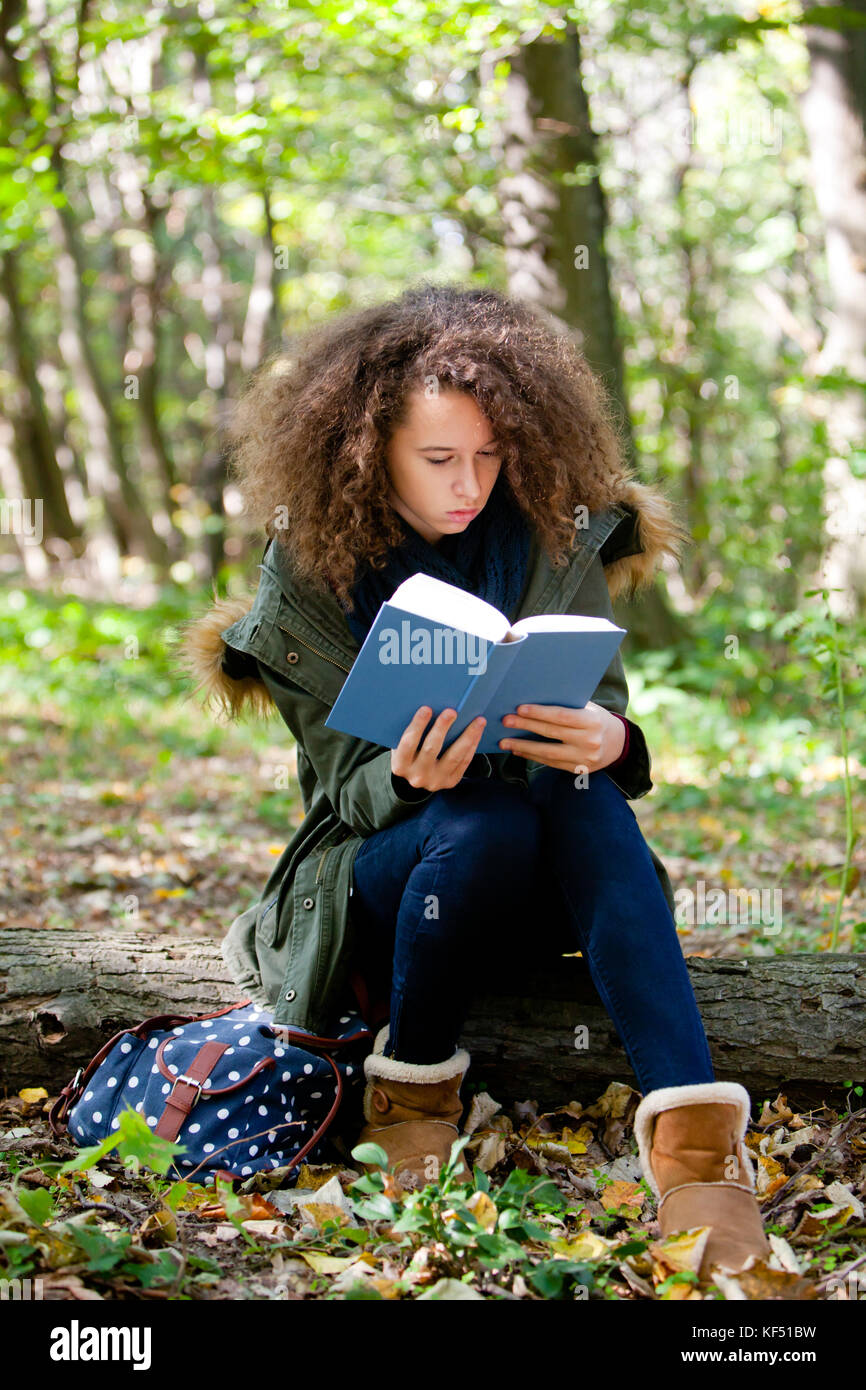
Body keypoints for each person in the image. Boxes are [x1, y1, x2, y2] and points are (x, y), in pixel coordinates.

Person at [186, 283, 769, 1279]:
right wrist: (407, 777)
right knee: (483, 814)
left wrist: (606, 738)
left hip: (553, 854)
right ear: (367, 449)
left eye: (490, 456)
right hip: (393, 871)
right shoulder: (311, 569)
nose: (469, 485)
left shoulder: (556, 528)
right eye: (439, 459)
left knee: (566, 794)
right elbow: (335, 799)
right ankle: (409, 1093)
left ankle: (695, 1153)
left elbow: (607, 707)